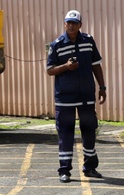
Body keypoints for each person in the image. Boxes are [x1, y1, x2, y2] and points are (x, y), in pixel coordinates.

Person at [45, 9, 107, 182]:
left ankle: (90, 167)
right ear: (64, 24)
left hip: (86, 95)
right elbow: (50, 70)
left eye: (74, 23)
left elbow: (96, 65)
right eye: (68, 23)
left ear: (80, 24)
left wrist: (102, 87)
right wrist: (66, 66)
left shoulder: (88, 41)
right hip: (65, 97)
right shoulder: (56, 44)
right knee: (65, 133)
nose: (71, 26)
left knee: (89, 130)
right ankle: (64, 170)